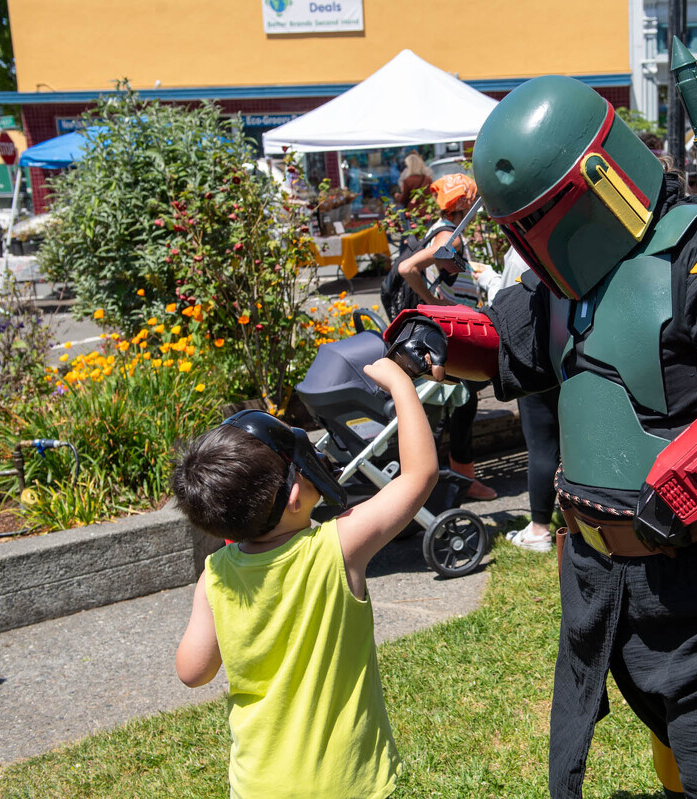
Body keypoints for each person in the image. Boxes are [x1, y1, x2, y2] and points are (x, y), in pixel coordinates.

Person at [385, 75, 697, 799]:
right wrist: (427, 332)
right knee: (681, 746)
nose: (531, 245)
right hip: (618, 592)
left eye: (541, 219)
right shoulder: (565, 282)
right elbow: (510, 343)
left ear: (600, 178)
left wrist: (690, 480)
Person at [172, 357, 438, 799]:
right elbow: (419, 475)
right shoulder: (337, 547)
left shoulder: (214, 576)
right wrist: (400, 384)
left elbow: (192, 672)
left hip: (259, 783)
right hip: (346, 782)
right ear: (296, 494)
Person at [395, 172, 497, 500]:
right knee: (457, 410)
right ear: (464, 201)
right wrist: (432, 302)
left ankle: (451, 483)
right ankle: (458, 485)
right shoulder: (449, 236)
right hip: (449, 338)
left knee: (456, 410)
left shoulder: (446, 231)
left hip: (444, 336)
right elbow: (408, 268)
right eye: (473, 197)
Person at [480, 247, 560, 553]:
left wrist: (487, 278)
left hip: (533, 352)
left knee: (542, 444)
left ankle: (539, 530)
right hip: (568, 347)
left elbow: (507, 306)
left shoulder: (522, 250)